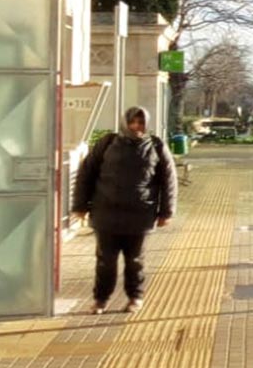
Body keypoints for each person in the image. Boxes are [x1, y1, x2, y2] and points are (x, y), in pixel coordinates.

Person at [71, 106, 177, 314]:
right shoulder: (108, 143)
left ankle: (135, 297)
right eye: (133, 122)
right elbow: (86, 174)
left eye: (140, 123)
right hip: (106, 214)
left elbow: (169, 180)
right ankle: (100, 300)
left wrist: (166, 212)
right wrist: (80, 206)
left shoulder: (155, 146)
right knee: (105, 261)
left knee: (135, 261)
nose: (136, 126)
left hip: (139, 215)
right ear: (125, 123)